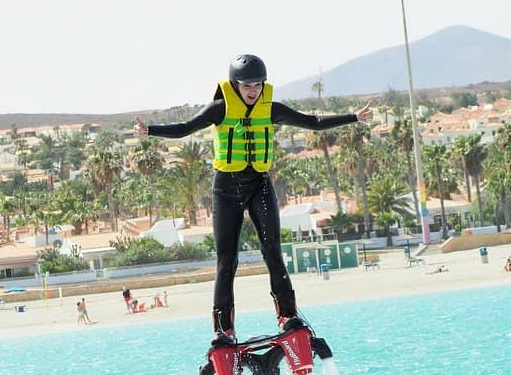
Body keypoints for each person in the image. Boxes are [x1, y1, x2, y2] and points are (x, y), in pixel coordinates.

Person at [135, 54, 373, 347]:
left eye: (258, 84)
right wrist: (150, 131)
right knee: (227, 260)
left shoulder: (270, 109)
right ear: (235, 85)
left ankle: (288, 316)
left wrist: (354, 117)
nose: (253, 90)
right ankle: (224, 329)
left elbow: (313, 122)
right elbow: (185, 128)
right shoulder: (219, 109)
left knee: (273, 250)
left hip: (259, 184)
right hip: (226, 189)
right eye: (247, 85)